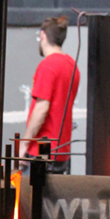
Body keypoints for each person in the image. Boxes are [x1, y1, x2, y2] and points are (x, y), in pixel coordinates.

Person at [18, 15, 80, 174]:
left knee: (33, 197)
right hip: (62, 150)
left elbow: (41, 109)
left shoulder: (47, 66)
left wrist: (24, 143)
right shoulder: (72, 66)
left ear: (43, 35)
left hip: (43, 148)